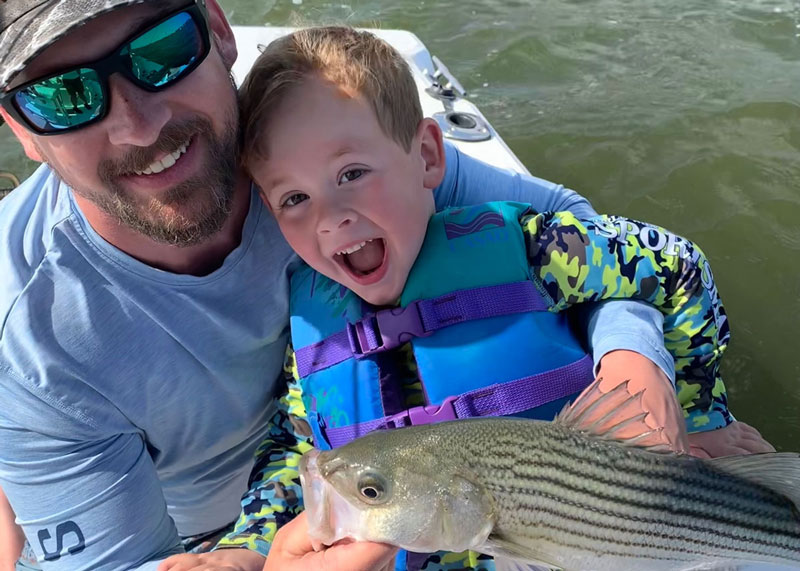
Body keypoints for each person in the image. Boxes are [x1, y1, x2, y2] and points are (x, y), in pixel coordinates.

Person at [0, 1, 741, 570]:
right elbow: (295, 450)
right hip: (261, 523)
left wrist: (645, 365)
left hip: (478, 493)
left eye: (160, 50)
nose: (137, 123)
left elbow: (599, 240)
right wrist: (247, 554)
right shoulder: (23, 345)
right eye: (62, 95)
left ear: (218, 30)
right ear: (19, 129)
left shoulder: (313, 134)